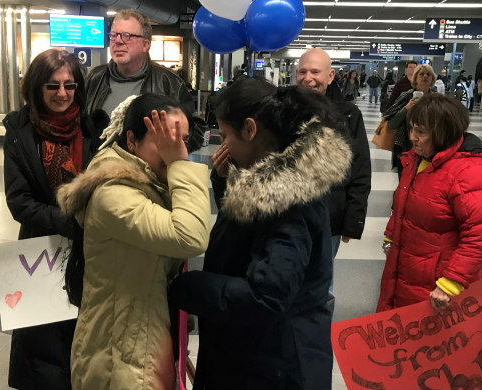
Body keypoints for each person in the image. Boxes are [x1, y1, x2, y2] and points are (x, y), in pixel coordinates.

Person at [168, 77, 352, 390]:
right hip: (267, 355)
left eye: (225, 135)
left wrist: (189, 287)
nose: (222, 146)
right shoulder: (280, 182)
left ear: (250, 130)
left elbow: (266, 296)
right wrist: (228, 183)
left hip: (273, 366)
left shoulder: (286, 201)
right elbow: (252, 236)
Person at [57, 94, 211, 389]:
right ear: (131, 141)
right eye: (164, 140)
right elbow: (190, 236)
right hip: (119, 357)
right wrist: (180, 164)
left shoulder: (153, 184)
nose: (175, 150)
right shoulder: (114, 194)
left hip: (141, 341)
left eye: (182, 141)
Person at [3, 48, 106, 390]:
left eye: (69, 85)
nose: (62, 93)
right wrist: (70, 222)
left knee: (86, 332)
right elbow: (20, 201)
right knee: (42, 343)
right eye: (52, 86)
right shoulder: (20, 131)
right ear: (36, 88)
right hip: (41, 246)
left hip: (92, 250)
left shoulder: (94, 129)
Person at [377, 93, 482, 312]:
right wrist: (390, 235)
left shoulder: (469, 172)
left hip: (439, 285)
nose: (412, 137)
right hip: (406, 269)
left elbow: (480, 238)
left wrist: (450, 283)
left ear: (443, 133)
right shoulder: (417, 160)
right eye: (411, 128)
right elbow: (402, 205)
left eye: (420, 132)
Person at [296, 47, 372, 314]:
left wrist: (353, 220)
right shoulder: (281, 109)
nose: (308, 78)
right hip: (288, 213)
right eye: (302, 71)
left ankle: (314, 343)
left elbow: (360, 167)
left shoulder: (349, 114)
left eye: (315, 72)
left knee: (322, 282)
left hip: (329, 215)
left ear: (330, 76)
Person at [85, 9, 205, 151]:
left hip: (148, 171)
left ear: (146, 44)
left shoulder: (168, 82)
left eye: (127, 36)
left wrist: (164, 150)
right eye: (114, 35)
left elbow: (196, 131)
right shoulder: (95, 78)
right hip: (100, 169)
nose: (118, 41)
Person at [383, 64, 436, 177]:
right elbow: (391, 123)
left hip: (430, 150)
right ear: (415, 78)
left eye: (428, 74)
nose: (425, 76)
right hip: (406, 150)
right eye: (421, 74)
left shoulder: (436, 100)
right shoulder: (406, 96)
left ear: (432, 79)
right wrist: (406, 108)